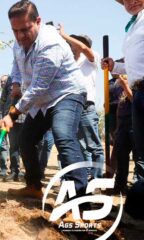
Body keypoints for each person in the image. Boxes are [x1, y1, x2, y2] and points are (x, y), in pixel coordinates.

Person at [1, 1, 87, 204]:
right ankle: (33, 186)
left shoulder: (50, 43)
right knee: (25, 139)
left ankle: (80, 201)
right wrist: (15, 83)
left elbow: (39, 87)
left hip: (66, 94)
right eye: (15, 31)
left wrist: (12, 113)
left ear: (37, 21)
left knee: (63, 135)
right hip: (42, 102)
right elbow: (16, 63)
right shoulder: (18, 42)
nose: (20, 36)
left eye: (25, 30)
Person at [102, 0, 144, 184]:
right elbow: (133, 65)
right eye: (126, 0)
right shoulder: (132, 26)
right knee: (142, 148)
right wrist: (115, 66)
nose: (132, 2)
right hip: (139, 91)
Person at [59, 26, 105, 179]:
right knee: (80, 147)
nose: (71, 45)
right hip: (71, 107)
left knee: (94, 146)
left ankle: (97, 180)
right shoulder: (68, 62)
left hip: (86, 107)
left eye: (74, 42)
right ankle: (84, 180)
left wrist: (63, 35)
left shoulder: (92, 58)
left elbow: (84, 48)